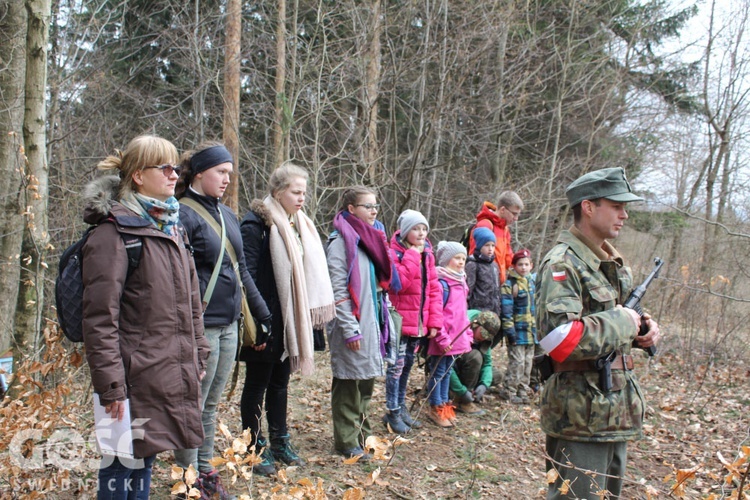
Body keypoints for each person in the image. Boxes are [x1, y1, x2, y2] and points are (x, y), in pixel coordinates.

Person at [81, 135, 210, 499]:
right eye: (164, 168)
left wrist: (199, 351)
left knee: (147, 459)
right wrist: (111, 386)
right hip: (129, 378)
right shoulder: (112, 234)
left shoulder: (171, 227)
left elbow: (191, 302)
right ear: (138, 175)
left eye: (176, 167)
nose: (175, 175)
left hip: (166, 371)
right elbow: (99, 319)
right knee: (120, 465)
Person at [536, 167, 660, 499]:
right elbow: (559, 339)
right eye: (616, 205)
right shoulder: (562, 265)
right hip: (578, 416)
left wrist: (641, 330)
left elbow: (610, 320)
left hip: (613, 413)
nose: (625, 214)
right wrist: (622, 322)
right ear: (588, 207)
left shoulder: (611, 262)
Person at [173, 143, 271, 497]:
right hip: (200, 326)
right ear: (200, 172)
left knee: (211, 404)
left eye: (230, 173)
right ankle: (187, 480)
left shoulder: (228, 214)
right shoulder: (182, 214)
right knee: (192, 404)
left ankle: (204, 472)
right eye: (221, 172)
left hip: (229, 325)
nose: (228, 179)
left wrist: (261, 313)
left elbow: (241, 268)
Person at [239, 162, 336, 475]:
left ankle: (280, 439)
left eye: (304, 192)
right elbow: (248, 274)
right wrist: (260, 318)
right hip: (265, 318)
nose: (302, 198)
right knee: (256, 385)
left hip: (291, 320)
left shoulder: (300, 225)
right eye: (296, 192)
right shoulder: (257, 223)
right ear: (278, 192)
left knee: (280, 383)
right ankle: (254, 445)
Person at [325, 186, 396, 459]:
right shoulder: (341, 241)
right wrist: (350, 328)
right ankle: (346, 441)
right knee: (348, 383)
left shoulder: (373, 238)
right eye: (367, 206)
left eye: (375, 205)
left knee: (366, 381)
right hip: (352, 323)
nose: (374, 210)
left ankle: (363, 435)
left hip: (372, 320)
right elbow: (338, 289)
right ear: (351, 209)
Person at [384, 209, 443, 434]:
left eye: (423, 229)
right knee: (396, 367)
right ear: (405, 231)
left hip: (418, 322)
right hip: (399, 321)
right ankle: (392, 411)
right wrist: (412, 255)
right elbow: (401, 283)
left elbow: (434, 289)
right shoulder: (394, 253)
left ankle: (401, 408)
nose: (420, 233)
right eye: (415, 229)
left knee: (407, 365)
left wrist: (434, 321)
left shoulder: (428, 253)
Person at [424, 242, 473, 428]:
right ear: (446, 260)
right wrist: (443, 338)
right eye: (457, 258)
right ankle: (435, 406)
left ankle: (445, 404)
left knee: (447, 371)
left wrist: (467, 334)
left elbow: (462, 313)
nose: (461, 262)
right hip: (442, 339)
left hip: (456, 339)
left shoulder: (461, 281)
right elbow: (438, 314)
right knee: (438, 372)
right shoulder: (443, 283)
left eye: (463, 258)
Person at [498, 248, 537, 404]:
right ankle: (509, 390)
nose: (523, 268)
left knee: (528, 363)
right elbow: (506, 311)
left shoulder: (532, 284)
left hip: (531, 331)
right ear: (513, 266)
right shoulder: (509, 285)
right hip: (517, 332)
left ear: (531, 266)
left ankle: (523, 389)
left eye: (526, 264)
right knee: (517, 363)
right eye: (520, 264)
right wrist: (510, 331)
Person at [449, 310, 502, 414]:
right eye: (482, 334)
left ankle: (470, 392)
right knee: (475, 357)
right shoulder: (460, 325)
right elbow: (446, 367)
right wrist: (462, 391)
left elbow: (487, 363)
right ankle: (462, 401)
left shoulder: (484, 335)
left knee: (496, 375)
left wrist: (484, 385)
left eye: (487, 336)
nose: (483, 338)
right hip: (452, 366)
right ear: (475, 324)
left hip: (465, 367)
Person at [467, 191, 523, 284]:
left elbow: (508, 259)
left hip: (497, 285)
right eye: (514, 213)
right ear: (502, 210)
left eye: (518, 214)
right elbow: (473, 258)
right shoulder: (485, 225)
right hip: (483, 286)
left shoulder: (505, 229)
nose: (516, 218)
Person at [465, 227, 502, 323]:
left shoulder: (494, 266)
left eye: (493, 246)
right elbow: (468, 291)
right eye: (486, 245)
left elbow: (497, 291)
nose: (490, 249)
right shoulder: (473, 264)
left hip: (494, 313)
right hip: (478, 313)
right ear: (479, 246)